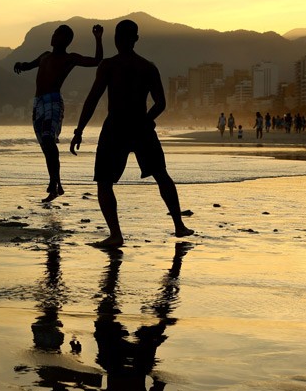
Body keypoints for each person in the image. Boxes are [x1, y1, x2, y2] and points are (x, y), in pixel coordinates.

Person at [70, 20, 193, 247]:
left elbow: (92, 99)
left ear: (118, 39)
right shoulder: (147, 67)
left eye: (119, 36)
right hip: (140, 127)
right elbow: (161, 104)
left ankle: (116, 234)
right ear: (135, 39)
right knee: (161, 175)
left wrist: (79, 130)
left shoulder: (109, 65)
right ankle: (179, 226)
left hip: (116, 127)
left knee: (105, 182)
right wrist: (145, 121)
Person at [14, 23, 104, 202]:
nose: (54, 36)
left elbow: (96, 61)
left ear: (66, 40)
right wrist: (20, 65)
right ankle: (56, 185)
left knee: (48, 140)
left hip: (53, 102)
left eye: (58, 34)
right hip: (38, 103)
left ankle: (54, 182)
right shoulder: (44, 56)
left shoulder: (69, 58)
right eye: (54, 33)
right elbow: (29, 65)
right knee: (46, 147)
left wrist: (98, 38)